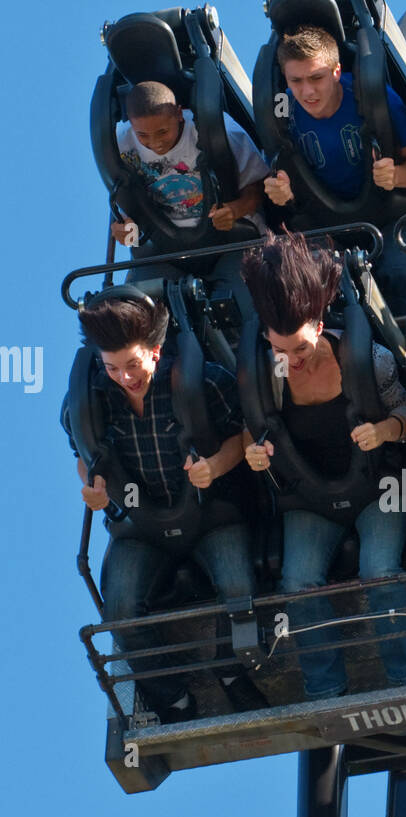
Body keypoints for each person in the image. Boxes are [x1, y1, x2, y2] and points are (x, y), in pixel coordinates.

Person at [241, 232, 406, 700]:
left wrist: (384, 430)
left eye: (300, 349)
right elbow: (254, 427)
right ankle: (327, 691)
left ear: (320, 327)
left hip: (377, 486)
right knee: (298, 585)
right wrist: (255, 449)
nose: (293, 361)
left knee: (379, 572)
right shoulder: (274, 373)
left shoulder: (365, 360)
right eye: (281, 350)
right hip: (313, 494)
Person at [62, 292, 266, 721]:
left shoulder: (204, 381)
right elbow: (83, 454)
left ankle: (231, 671)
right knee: (118, 613)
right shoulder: (92, 398)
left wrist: (214, 465)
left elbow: (243, 434)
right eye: (112, 367)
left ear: (155, 351)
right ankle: (172, 697)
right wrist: (94, 488)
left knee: (237, 587)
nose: (124, 377)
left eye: (133, 365)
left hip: (209, 511)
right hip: (141, 522)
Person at [263, 26, 406, 312]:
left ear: (337, 71)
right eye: (296, 81)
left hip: (388, 215)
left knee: (401, 272)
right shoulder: (282, 113)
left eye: (317, 77)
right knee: (316, 287)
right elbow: (279, 181)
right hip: (326, 224)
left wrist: (397, 176)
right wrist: (281, 193)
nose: (307, 91)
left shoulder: (374, 97)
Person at [113, 80, 269, 246]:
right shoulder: (119, 144)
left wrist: (235, 209)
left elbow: (259, 186)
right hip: (164, 244)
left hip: (232, 236)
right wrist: (123, 225)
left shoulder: (219, 130)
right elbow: (124, 198)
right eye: (143, 135)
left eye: (163, 132)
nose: (155, 142)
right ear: (130, 123)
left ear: (179, 114)